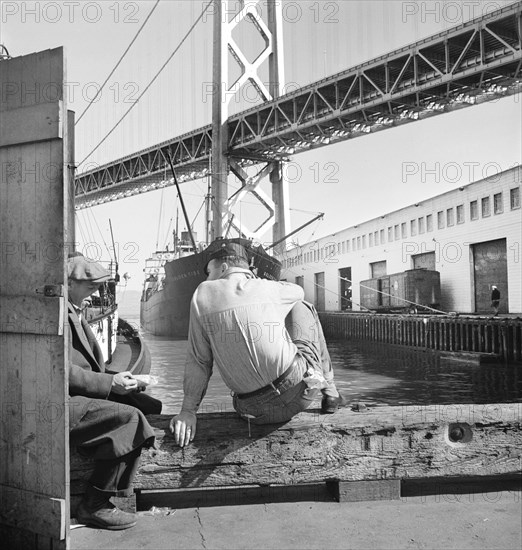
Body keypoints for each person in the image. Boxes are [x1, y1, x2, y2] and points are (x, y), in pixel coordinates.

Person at [170, 243, 346, 448]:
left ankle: (327, 389)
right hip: (300, 395)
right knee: (302, 306)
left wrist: (188, 411)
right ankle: (331, 393)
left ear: (224, 268)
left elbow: (199, 361)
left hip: (251, 412)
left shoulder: (202, 294)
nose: (206, 278)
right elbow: (298, 292)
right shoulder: (268, 288)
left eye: (209, 272)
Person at [67, 253, 159, 530]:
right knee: (129, 418)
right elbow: (59, 370)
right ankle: (94, 505)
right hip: (63, 401)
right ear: (69, 283)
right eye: (90, 288)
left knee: (149, 405)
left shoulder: (73, 310)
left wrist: (120, 379)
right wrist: (109, 384)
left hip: (76, 393)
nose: (94, 295)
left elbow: (86, 366)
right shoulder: (57, 315)